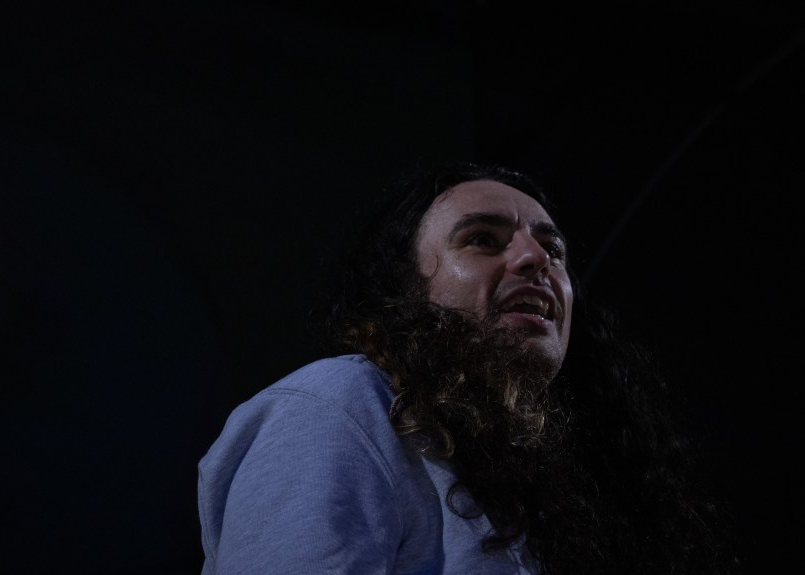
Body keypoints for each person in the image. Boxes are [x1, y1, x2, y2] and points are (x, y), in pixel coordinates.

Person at [196, 161, 739, 574]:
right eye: (482, 240)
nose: (536, 260)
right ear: (406, 288)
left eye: (553, 250)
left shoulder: (553, 480)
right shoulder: (338, 406)